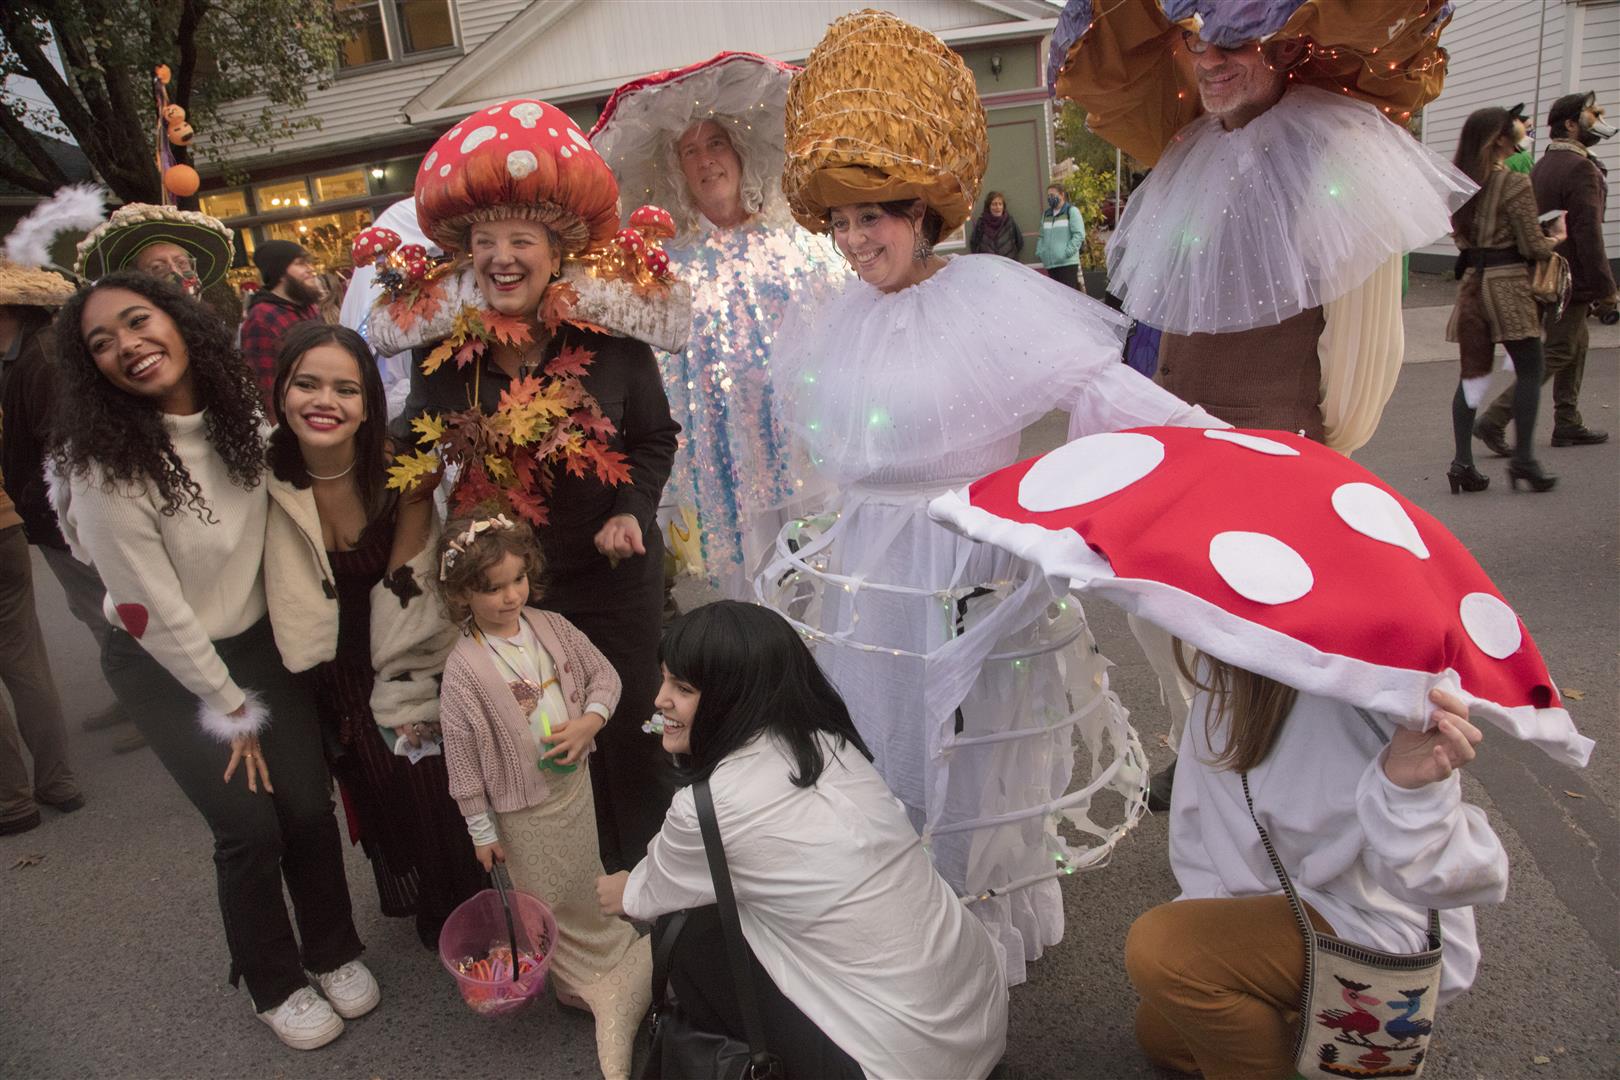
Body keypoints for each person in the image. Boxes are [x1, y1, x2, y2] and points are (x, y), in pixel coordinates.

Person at [764, 9, 1219, 987]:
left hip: (971, 563)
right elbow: (827, 457)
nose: (854, 240)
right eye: (840, 220)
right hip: (872, 580)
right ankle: (915, 925)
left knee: (975, 752)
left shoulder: (988, 294)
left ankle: (982, 932)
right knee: (884, 742)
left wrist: (1213, 447)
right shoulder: (835, 318)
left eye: (873, 216)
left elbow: (1099, 393)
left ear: (922, 209)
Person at [1051, 0, 1474, 809]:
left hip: (1278, 458)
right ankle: (1210, 766)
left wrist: (1311, 456)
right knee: (1170, 624)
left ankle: (1273, 810)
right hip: (1184, 452)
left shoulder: (1335, 148)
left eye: (1236, 40)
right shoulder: (1192, 152)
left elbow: (1359, 346)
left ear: (1285, 40)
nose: (1211, 60)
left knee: (1269, 647)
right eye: (1197, 41)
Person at [49, 272, 375, 1050]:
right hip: (164, 665)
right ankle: (274, 982)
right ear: (91, 367)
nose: (128, 345)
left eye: (138, 321)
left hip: (257, 643)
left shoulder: (241, 423)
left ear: (179, 323)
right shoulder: (104, 468)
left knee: (307, 806)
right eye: (102, 342)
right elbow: (149, 612)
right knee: (248, 826)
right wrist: (230, 706)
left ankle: (331, 948)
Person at [379, 98, 683, 872]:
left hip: (614, 579)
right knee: (544, 735)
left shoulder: (611, 344)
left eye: (521, 239)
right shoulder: (444, 354)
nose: (501, 257)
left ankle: (656, 881)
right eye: (484, 242)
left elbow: (654, 436)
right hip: (514, 589)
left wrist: (630, 508)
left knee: (630, 728)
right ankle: (581, 884)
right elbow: (414, 444)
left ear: (556, 252)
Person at [597, 601, 1009, 1080]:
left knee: (684, 931)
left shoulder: (708, 807)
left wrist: (619, 889)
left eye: (682, 688)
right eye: (664, 679)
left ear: (734, 698)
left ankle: (728, 1058)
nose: (659, 699)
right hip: (974, 1022)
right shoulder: (828, 743)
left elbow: (644, 895)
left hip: (895, 1064)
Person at [1125, 653, 1507, 1078]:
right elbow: (1201, 833)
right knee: (1163, 1035)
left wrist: (1410, 795)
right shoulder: (1224, 666)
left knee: (1167, 952)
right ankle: (1299, 1023)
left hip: (1372, 923)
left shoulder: (1370, 694)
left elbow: (1461, 879)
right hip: (1287, 904)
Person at [589, 52, 849, 600]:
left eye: (716, 144)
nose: (706, 160)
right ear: (677, 170)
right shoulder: (665, 267)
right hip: (720, 466)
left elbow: (842, 339)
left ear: (739, 153)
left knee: (822, 578)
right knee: (746, 596)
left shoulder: (796, 243)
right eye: (691, 151)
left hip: (802, 452)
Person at [261, 321, 484, 948]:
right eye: (307, 384)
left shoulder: (402, 473)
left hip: (397, 648)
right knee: (372, 783)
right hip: (314, 660)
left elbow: (407, 589)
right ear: (281, 393)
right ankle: (424, 889)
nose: (324, 401)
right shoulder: (260, 478)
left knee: (422, 773)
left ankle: (465, 899)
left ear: (368, 404)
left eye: (345, 389)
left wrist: (397, 694)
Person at [435, 516, 651, 1080]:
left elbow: (605, 676)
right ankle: (575, 977)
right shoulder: (463, 671)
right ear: (462, 595)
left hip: (572, 785)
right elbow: (463, 762)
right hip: (520, 805)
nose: (511, 596)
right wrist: (481, 831)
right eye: (493, 588)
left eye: (518, 579)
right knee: (544, 893)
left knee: (583, 870)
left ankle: (608, 952)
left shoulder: (551, 626)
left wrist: (590, 722)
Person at [1476, 90, 1616, 453]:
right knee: (1559, 350)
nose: (1599, 121)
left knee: (1575, 345)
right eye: (1591, 115)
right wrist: (1606, 288)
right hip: (1569, 277)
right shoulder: (1580, 168)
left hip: (1547, 273)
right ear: (1570, 124)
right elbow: (1588, 233)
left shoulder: (1545, 164)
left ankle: (1568, 422)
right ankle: (1494, 419)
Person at [0, 262, 84, 834]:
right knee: (24, 657)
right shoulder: (25, 360)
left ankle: (11, 800)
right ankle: (56, 781)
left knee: (25, 656)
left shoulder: (37, 360)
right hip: (5, 525)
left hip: (21, 515)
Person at [1444, 107, 1563, 495]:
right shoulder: (1513, 183)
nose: (1521, 131)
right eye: (1514, 128)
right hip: (1508, 286)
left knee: (1472, 374)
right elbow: (1532, 246)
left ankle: (1462, 463)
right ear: (1498, 138)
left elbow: (1460, 239)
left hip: (1473, 286)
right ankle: (1523, 460)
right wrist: (1554, 238)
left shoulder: (1459, 184)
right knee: (1531, 368)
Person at [75, 202, 235, 302]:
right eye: (157, 267)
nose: (175, 272)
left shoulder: (212, 326)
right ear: (135, 279)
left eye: (182, 263)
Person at [239, 240, 322, 409]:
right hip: (294, 412)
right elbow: (265, 386)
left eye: (308, 263)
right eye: (300, 263)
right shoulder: (262, 318)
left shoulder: (308, 307)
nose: (310, 269)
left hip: (321, 401)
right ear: (280, 272)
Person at [1036, 183, 1083, 288]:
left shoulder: (1071, 211)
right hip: (1051, 265)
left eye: (1052, 195)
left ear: (1062, 195)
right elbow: (1041, 236)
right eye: (1048, 196)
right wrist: (1041, 252)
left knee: (1068, 295)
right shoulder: (1046, 214)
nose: (1050, 198)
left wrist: (1067, 253)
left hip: (1067, 264)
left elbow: (1079, 234)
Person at [969, 190, 1025, 261]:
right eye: (994, 204)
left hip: (1007, 264)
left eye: (1000, 204)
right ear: (988, 207)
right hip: (988, 264)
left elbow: (1019, 242)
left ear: (1003, 206)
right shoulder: (981, 223)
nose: (997, 207)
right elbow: (974, 244)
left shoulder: (1009, 222)